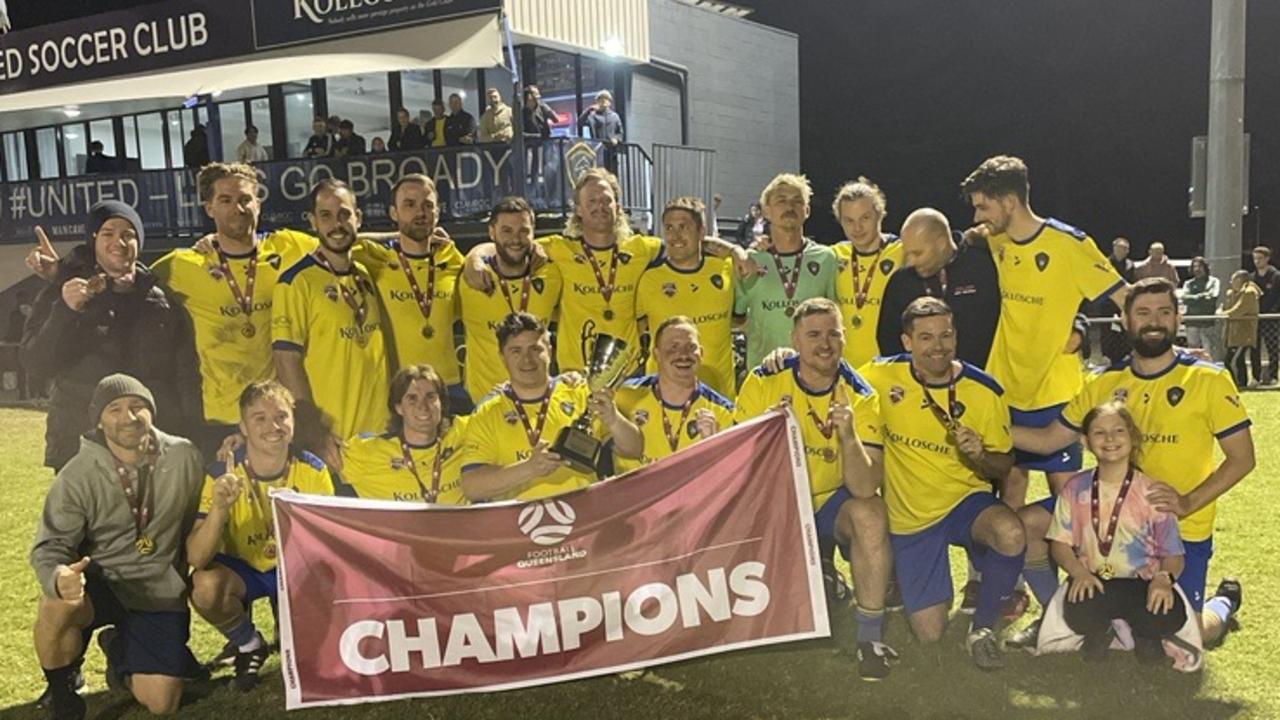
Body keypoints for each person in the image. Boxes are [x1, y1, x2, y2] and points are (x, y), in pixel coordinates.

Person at [1011, 278, 1254, 648]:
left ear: (1178, 319)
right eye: (1142, 312)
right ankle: (1056, 614)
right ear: (1124, 319)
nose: (1153, 321)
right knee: (1029, 524)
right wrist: (987, 431)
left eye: (1164, 312)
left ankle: (1223, 603)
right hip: (1104, 524)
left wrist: (1187, 503)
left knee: (1182, 639)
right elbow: (1048, 439)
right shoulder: (1103, 382)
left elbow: (1242, 459)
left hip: (1177, 532)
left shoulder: (1208, 379)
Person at [858, 297, 1024, 670]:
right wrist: (783, 357)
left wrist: (980, 455)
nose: (938, 346)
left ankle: (981, 629)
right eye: (926, 337)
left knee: (1010, 533)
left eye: (946, 335)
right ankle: (905, 577)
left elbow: (1005, 466)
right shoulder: (878, 376)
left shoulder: (986, 391)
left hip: (965, 502)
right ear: (906, 342)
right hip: (912, 517)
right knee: (929, 633)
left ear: (956, 337)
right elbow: (828, 371)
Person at [734, 298, 895, 680]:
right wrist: (766, 433)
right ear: (794, 340)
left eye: (833, 334)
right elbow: (738, 462)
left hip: (830, 506)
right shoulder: (764, 379)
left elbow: (863, 487)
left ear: (844, 337)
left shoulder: (862, 395)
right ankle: (809, 580)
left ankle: (869, 637)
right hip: (778, 502)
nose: (825, 343)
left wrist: (849, 435)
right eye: (813, 335)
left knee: (870, 514)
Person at [31, 374, 204, 718]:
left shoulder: (184, 456)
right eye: (115, 409)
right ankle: (63, 690)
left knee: (163, 702)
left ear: (152, 412)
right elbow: (48, 547)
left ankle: (119, 648)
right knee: (57, 605)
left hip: (156, 588)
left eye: (138, 406)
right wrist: (59, 575)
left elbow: (201, 512)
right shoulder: (78, 473)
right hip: (100, 583)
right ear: (98, 418)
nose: (129, 417)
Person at [960, 155, 1127, 507]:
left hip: (1055, 392)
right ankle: (1015, 563)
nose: (977, 217)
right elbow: (967, 239)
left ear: (1009, 202)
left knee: (1069, 501)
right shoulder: (995, 239)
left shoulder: (1070, 245)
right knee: (1010, 492)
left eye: (983, 206)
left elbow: (1127, 300)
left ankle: (1078, 563)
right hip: (1004, 389)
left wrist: (1139, 363)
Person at [150, 162, 317, 460]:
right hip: (218, 418)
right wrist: (62, 273)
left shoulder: (290, 246)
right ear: (209, 208)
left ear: (258, 203)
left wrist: (417, 239)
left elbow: (347, 241)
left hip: (276, 414)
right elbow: (129, 278)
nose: (237, 208)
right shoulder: (184, 263)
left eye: (245, 199)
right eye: (225, 200)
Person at [21, 201, 201, 471]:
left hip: (149, 449)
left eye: (128, 234)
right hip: (79, 448)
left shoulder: (162, 301)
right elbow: (35, 363)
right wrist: (65, 311)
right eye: (108, 233)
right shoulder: (64, 292)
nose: (119, 241)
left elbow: (185, 375)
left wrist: (187, 435)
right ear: (93, 241)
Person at [186, 381, 336, 692]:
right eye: (260, 418)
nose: (273, 426)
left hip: (292, 568)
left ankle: (291, 627)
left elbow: (328, 544)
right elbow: (197, 558)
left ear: (292, 422)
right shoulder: (220, 473)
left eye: (281, 416)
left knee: (303, 647)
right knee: (205, 587)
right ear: (243, 427)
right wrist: (219, 509)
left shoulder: (313, 470)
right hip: (245, 570)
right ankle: (249, 643)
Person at [1047, 401, 1188, 664]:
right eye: (1099, 432)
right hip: (1095, 580)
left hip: (1141, 584)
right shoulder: (1075, 488)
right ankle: (1100, 631)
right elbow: (1059, 543)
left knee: (1167, 614)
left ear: (1133, 437)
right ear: (1086, 441)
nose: (1110, 438)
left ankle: (1147, 637)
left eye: (1118, 431)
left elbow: (1173, 554)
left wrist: (1163, 579)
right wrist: (1078, 572)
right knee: (1079, 610)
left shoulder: (1153, 492)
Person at [459, 312, 642, 501]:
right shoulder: (487, 412)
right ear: (502, 357)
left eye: (535, 349)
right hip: (519, 526)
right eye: (516, 351)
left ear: (550, 350)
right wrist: (529, 468)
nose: (527, 359)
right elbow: (472, 487)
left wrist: (614, 419)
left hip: (582, 522)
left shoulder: (581, 392)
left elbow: (634, 449)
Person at [272, 179, 391, 455]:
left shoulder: (364, 274)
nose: (336, 224)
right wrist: (315, 431)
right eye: (325, 216)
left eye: (344, 214)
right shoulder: (295, 282)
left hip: (381, 436)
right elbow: (286, 361)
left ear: (358, 218)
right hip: (334, 441)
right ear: (313, 222)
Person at [352, 174, 469, 413]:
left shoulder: (452, 259)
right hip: (401, 389)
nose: (420, 212)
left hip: (449, 385)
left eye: (428, 205)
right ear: (393, 213)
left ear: (437, 212)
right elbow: (338, 239)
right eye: (409, 205)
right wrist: (396, 235)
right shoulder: (375, 260)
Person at [458, 196, 562, 402]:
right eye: (507, 231)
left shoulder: (552, 276)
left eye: (523, 231)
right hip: (485, 405)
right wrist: (474, 255)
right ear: (491, 232)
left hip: (539, 402)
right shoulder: (468, 280)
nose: (516, 239)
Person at [735, 173, 839, 369]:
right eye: (781, 200)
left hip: (815, 374)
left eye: (797, 201)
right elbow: (736, 318)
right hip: (764, 374)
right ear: (766, 211)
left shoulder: (826, 258)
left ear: (807, 210)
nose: (790, 206)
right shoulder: (750, 261)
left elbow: (835, 319)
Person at [636, 196, 735, 395]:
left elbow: (741, 319)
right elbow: (637, 330)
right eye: (669, 228)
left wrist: (737, 250)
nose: (675, 235)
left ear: (702, 231)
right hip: (663, 399)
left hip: (719, 396)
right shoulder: (649, 279)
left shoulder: (727, 269)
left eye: (684, 227)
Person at [612, 317, 735, 473]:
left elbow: (731, 480)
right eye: (674, 347)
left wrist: (712, 447)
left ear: (701, 353)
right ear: (656, 355)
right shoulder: (623, 397)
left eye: (691, 347)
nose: (683, 354)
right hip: (634, 496)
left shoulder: (723, 412)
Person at [879, 210, 1000, 366]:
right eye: (907, 254)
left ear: (942, 243)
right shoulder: (901, 282)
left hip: (977, 381)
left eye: (917, 253)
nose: (910, 262)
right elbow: (888, 340)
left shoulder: (984, 266)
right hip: (919, 385)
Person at [343, 365, 470, 503]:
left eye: (430, 397)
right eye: (412, 399)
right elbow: (323, 453)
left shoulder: (464, 432)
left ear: (442, 404)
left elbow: (492, 411)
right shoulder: (365, 453)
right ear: (398, 408)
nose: (423, 406)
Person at [830, 177, 904, 368]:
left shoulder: (903, 251)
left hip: (890, 368)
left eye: (865, 218)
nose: (857, 228)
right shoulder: (833, 256)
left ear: (879, 214)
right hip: (844, 370)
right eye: (849, 220)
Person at [1097, 237, 1136, 362]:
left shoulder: (1130, 265)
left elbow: (1132, 282)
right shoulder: (1106, 263)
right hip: (1107, 302)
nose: (1122, 251)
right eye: (1119, 248)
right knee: (1106, 329)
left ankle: (1126, 353)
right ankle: (1106, 355)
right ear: (1114, 248)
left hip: (1124, 302)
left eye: (1125, 249)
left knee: (1126, 327)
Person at [1249, 245, 1280, 385]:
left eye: (1260, 258)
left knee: (1272, 347)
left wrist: (1273, 311)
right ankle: (1255, 377)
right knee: (1254, 347)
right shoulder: (1251, 277)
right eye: (1255, 259)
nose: (1257, 261)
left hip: (1271, 317)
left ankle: (1273, 376)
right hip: (1256, 317)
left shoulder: (1276, 276)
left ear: (1267, 259)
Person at [1223, 269, 1260, 387]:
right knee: (1239, 361)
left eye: (1232, 279)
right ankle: (1241, 383)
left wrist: (1223, 314)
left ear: (1239, 280)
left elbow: (1238, 310)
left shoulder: (1249, 293)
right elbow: (1226, 307)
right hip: (1233, 333)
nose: (1230, 282)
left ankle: (1235, 383)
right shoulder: (1233, 293)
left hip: (1243, 332)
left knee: (1231, 360)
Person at [1181, 256, 1222, 360]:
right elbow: (1185, 298)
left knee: (1208, 350)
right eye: (1194, 266)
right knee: (1192, 350)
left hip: (1207, 322)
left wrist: (1194, 299)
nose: (1197, 269)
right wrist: (1202, 296)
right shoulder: (1188, 283)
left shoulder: (1214, 281)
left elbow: (1213, 297)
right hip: (1192, 321)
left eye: (1200, 266)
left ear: (1205, 267)